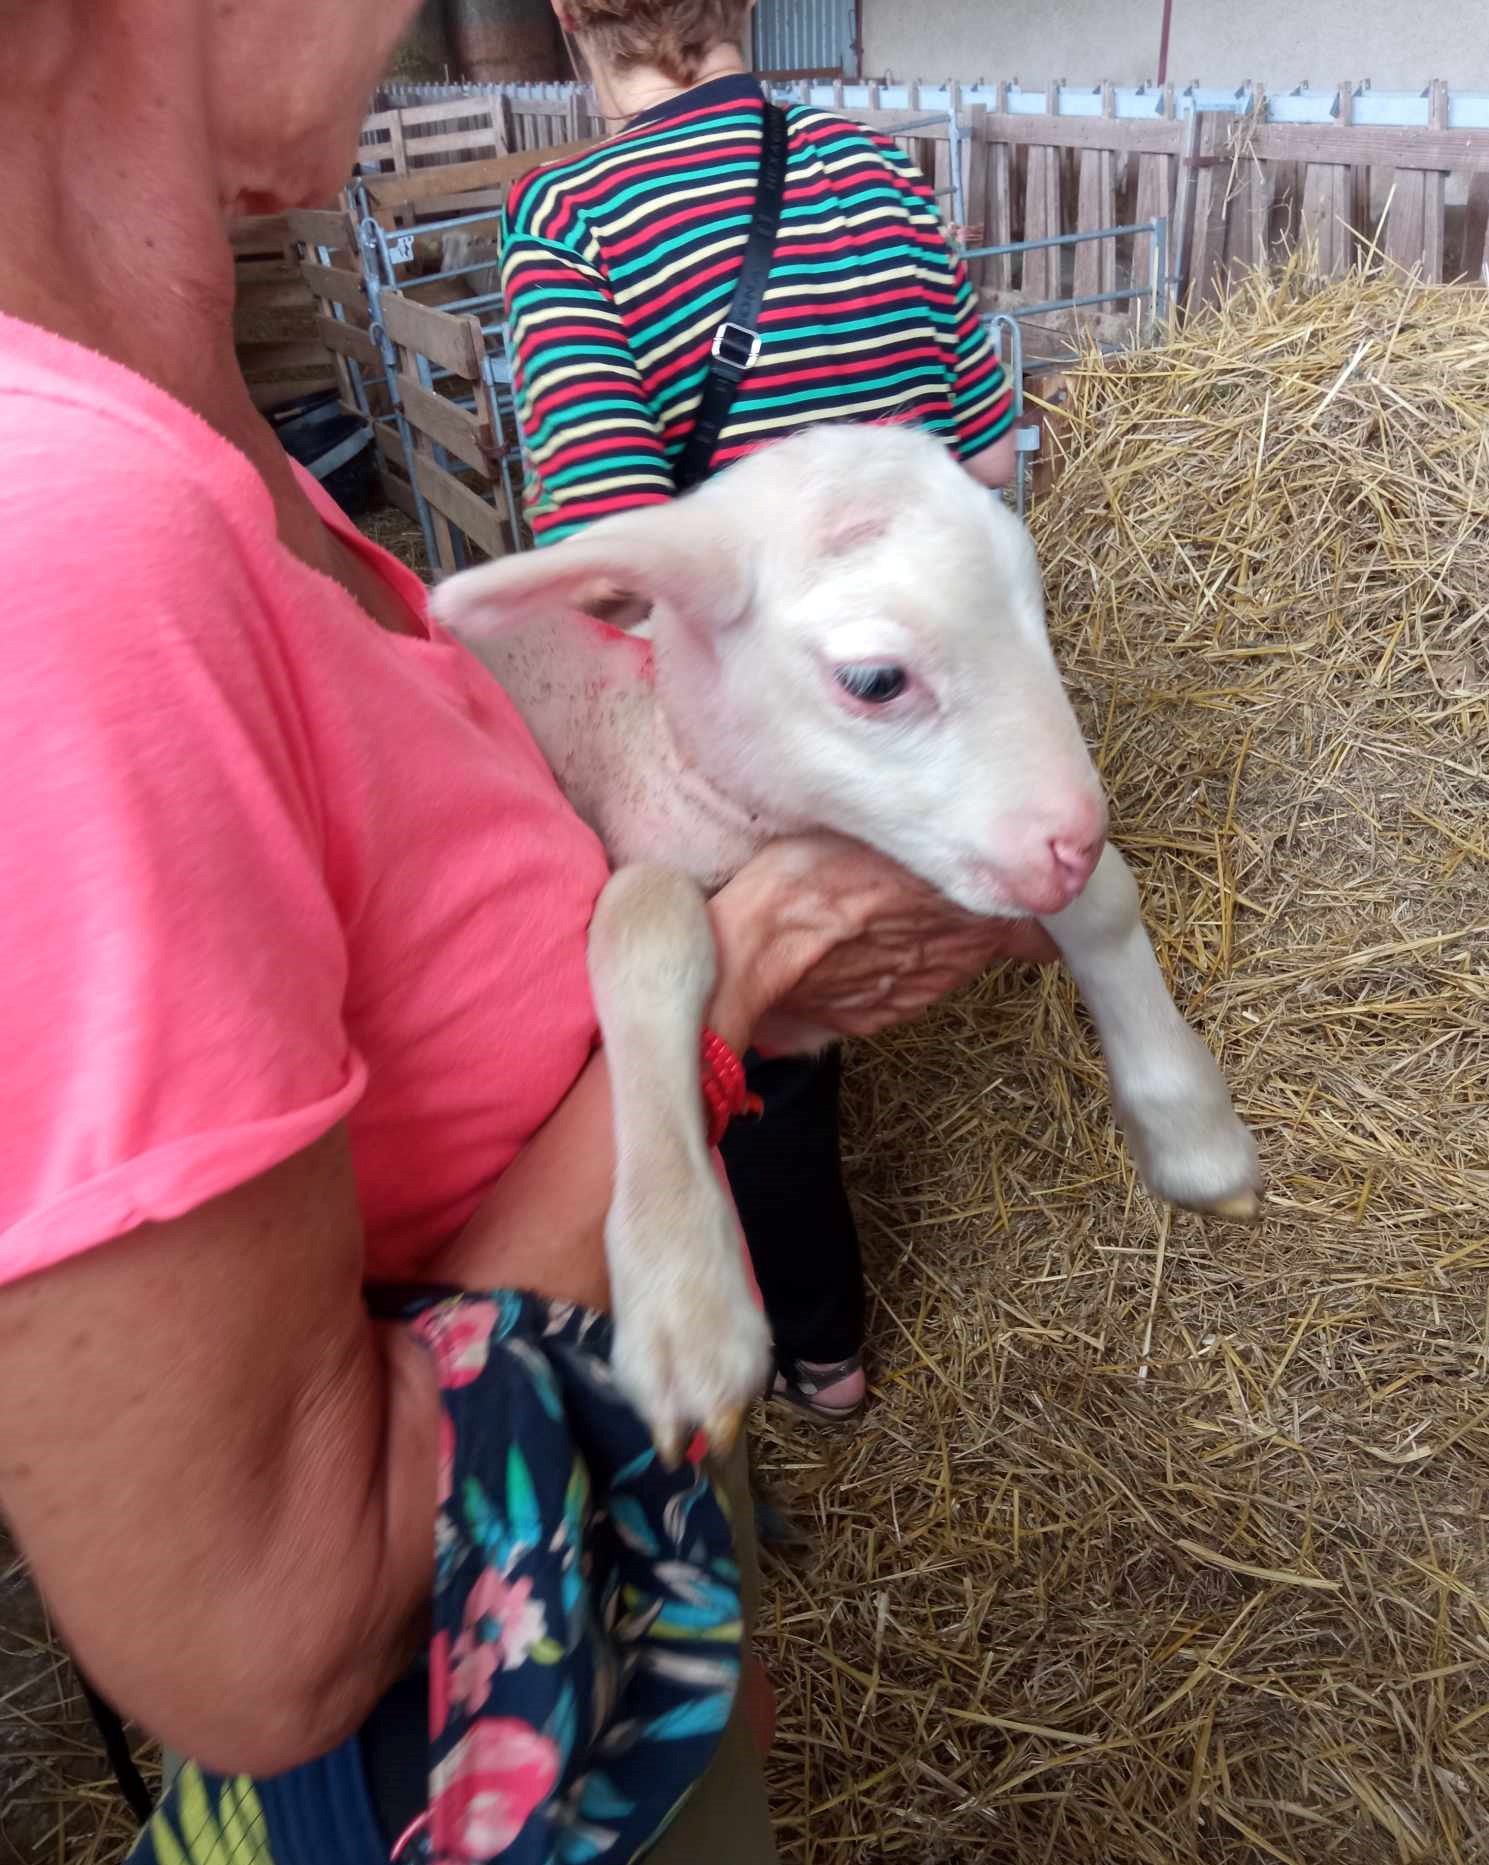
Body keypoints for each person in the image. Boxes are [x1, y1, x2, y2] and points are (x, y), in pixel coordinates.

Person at [0, 1, 1053, 1859]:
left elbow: (615, 561)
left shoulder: (223, 410)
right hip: (470, 1726)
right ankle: (830, 1354)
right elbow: (260, 1630)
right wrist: (729, 971)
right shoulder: (70, 544)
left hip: (593, 1548)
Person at [499, 0, 1020, 1424]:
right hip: (920, 734)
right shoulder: (878, 173)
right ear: (733, 5)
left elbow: (610, 567)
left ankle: (821, 1355)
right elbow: (979, 462)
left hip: (760, 758)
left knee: (752, 1036)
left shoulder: (569, 220)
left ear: (566, 17)